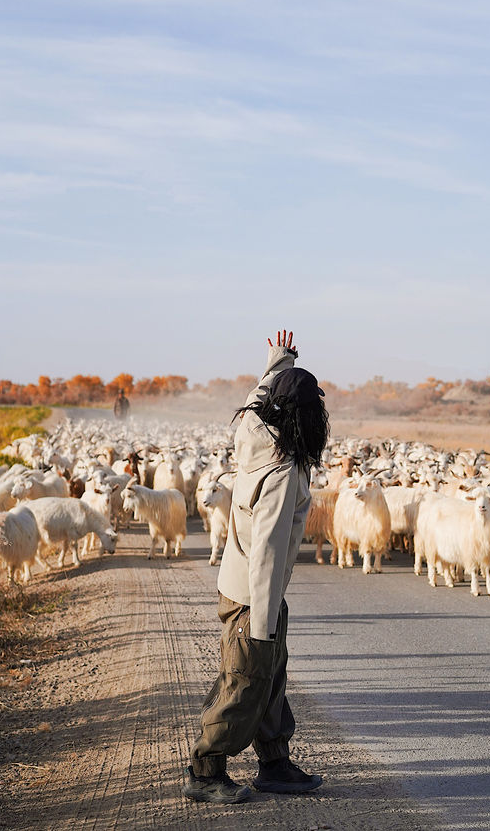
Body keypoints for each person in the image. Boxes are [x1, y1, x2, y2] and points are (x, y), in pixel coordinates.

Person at [183, 329, 329, 804]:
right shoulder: (284, 469)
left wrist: (277, 362)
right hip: (253, 594)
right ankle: (205, 772)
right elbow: (267, 549)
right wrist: (264, 624)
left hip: (247, 587)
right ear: (305, 418)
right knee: (246, 678)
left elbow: (255, 399)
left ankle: (274, 763)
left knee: (271, 677)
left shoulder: (256, 434)